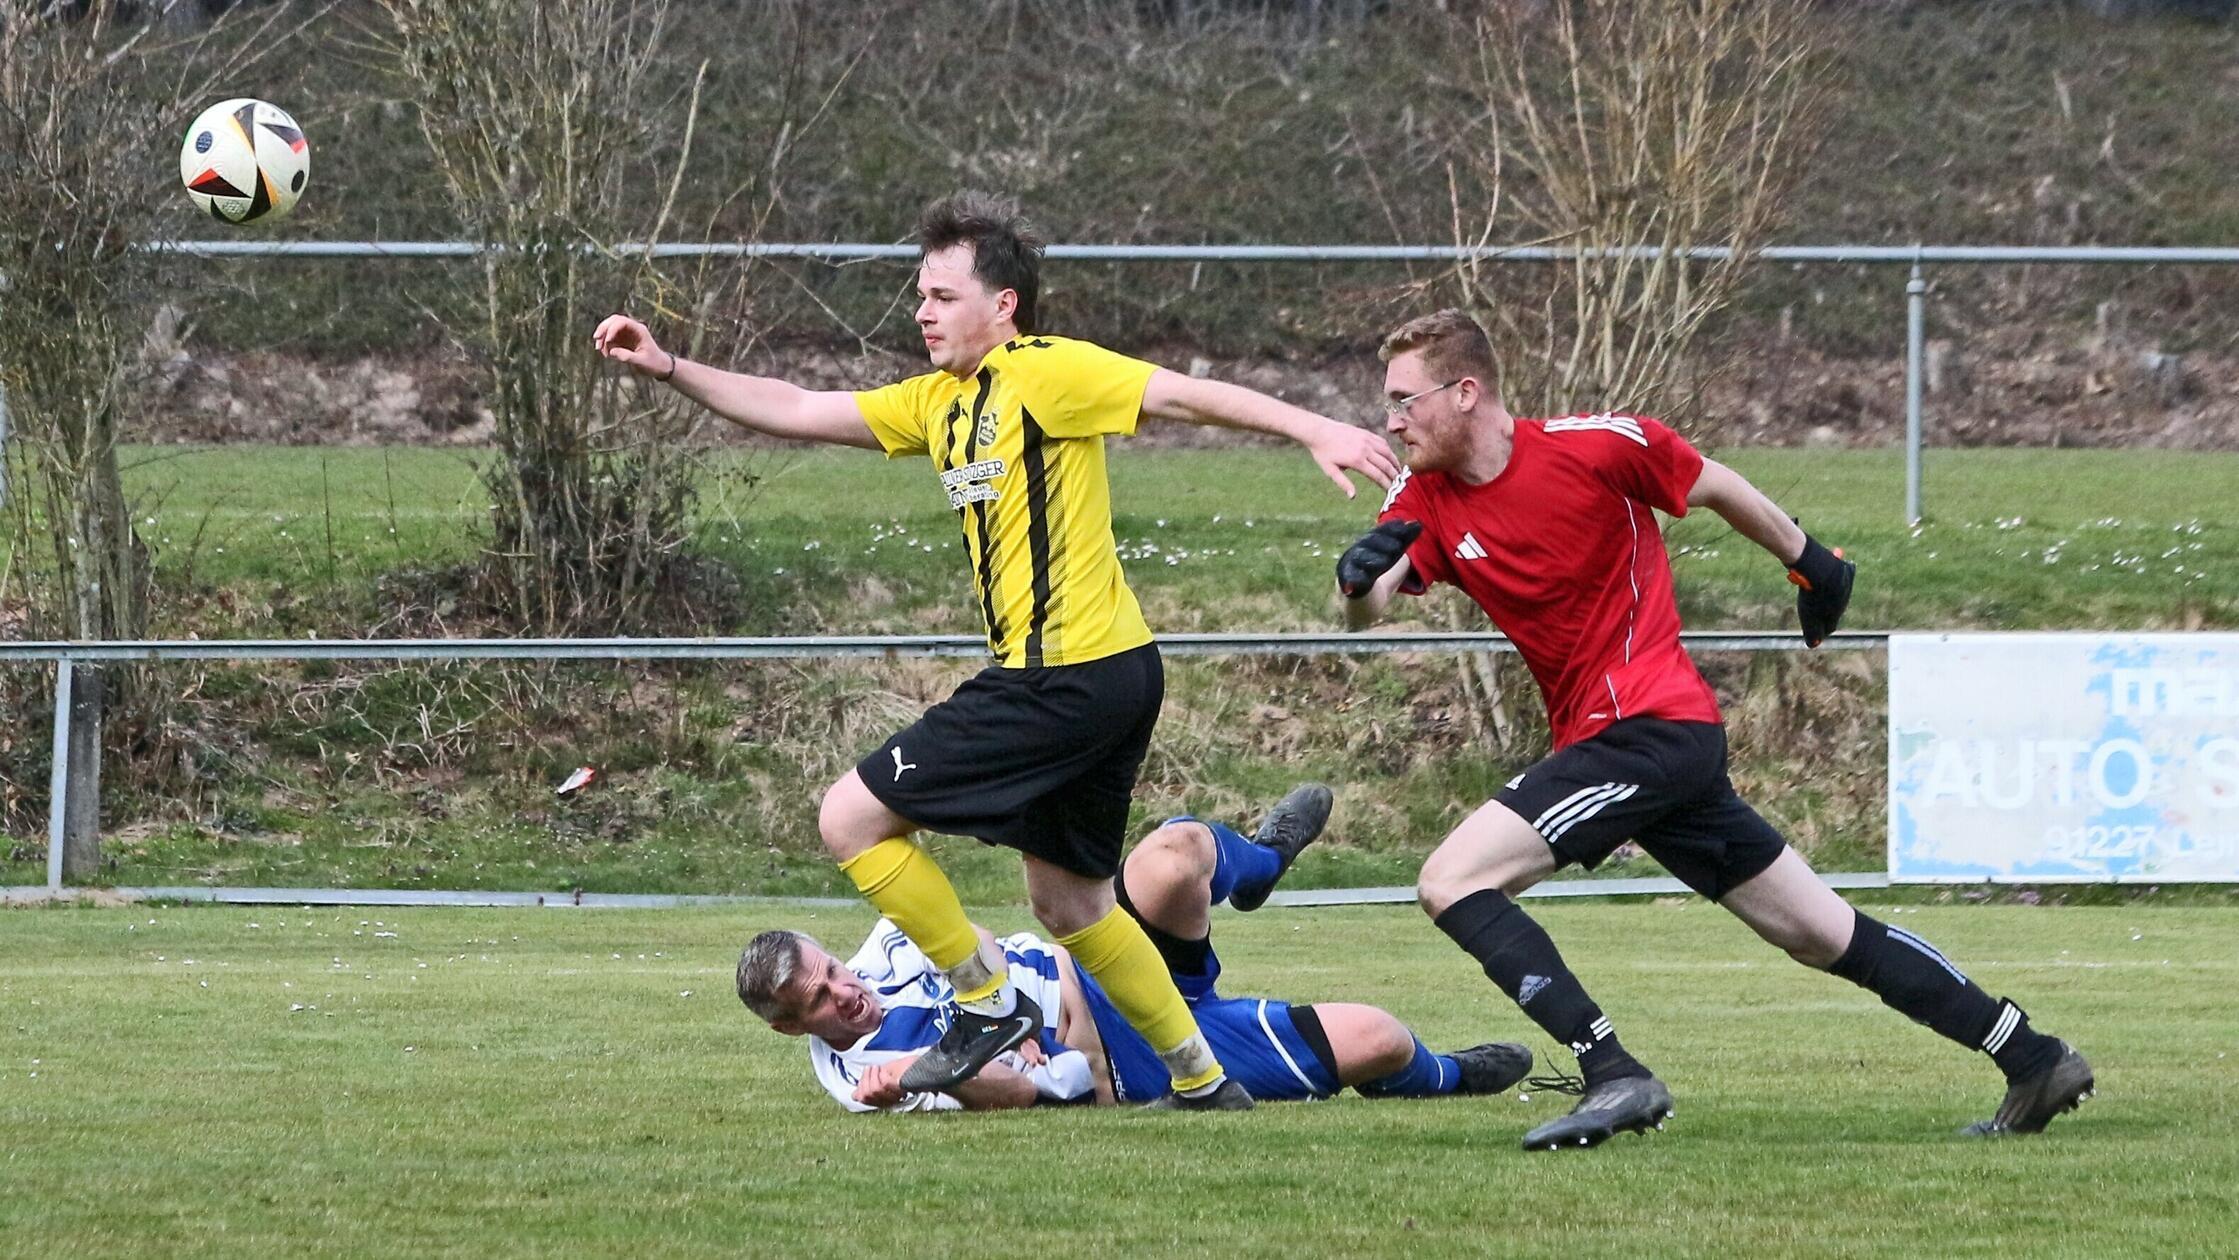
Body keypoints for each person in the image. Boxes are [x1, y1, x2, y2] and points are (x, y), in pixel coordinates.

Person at [595, 191, 1397, 1110]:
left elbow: (1177, 392)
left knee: (849, 819)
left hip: (1063, 673)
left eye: (940, 294)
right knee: (1072, 909)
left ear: (1003, 304)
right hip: (1107, 676)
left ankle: (983, 1000)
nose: (922, 312)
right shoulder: (935, 403)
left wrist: (1315, 425)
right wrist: (667, 367)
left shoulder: (1045, 371)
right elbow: (795, 405)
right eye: (919, 295)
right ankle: (1202, 1081)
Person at [1334, 309, 2093, 1150]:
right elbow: (1370, 601)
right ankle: (2034, 1058)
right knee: (1818, 933)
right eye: (1387, 406)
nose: (1391, 421)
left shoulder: (1596, 446)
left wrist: (1813, 563)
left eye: (1404, 401)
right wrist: (1355, 586)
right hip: (1643, 749)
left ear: (1465, 392)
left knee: (1452, 879)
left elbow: (1714, 483)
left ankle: (1612, 1073)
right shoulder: (1422, 497)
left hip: (1647, 728)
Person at [737, 785, 1535, 1112]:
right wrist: (922, 1071)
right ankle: (1445, 1077)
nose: (841, 991)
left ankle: (1256, 866)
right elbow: (1027, 1091)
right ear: (788, 1026)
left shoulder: (882, 942)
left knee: (1174, 851)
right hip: (1126, 1058)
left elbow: (972, 940)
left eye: (829, 971)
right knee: (1382, 1036)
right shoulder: (860, 1080)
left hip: (1095, 957)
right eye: (816, 1000)